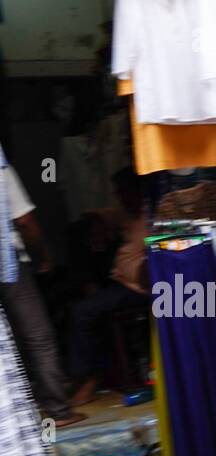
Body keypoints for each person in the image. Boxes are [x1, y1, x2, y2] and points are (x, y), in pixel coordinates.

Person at [0, 156, 85, 427]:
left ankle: (12, 421)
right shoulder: (2, 169)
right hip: (9, 262)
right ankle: (58, 410)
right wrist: (44, 256)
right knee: (38, 337)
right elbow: (25, 221)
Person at [68, 168, 151, 405]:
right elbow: (94, 214)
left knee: (82, 312)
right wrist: (96, 225)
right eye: (118, 193)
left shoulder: (151, 214)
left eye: (124, 191)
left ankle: (88, 379)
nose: (121, 197)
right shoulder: (125, 214)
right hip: (120, 283)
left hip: (139, 289)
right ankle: (83, 374)